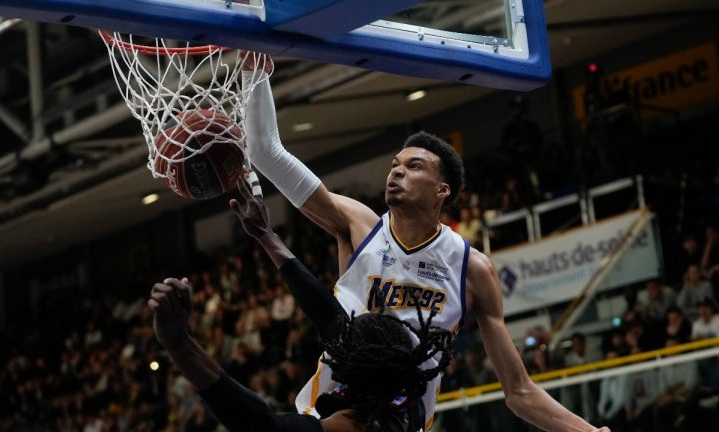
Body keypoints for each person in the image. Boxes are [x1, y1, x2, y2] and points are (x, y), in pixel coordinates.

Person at [241, 53, 609, 431]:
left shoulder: (472, 268)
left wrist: (588, 430)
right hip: (328, 416)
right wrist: (255, 66)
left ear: (442, 191)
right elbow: (266, 151)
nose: (397, 170)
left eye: (414, 167)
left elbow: (519, 392)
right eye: (394, 165)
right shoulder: (360, 226)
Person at [149, 179, 455, 431]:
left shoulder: (362, 427)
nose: (342, 334)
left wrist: (179, 344)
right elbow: (326, 313)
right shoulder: (396, 387)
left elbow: (261, 425)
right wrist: (266, 236)